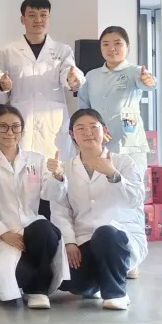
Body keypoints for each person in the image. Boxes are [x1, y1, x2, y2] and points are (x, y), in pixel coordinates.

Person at [0, 104, 69, 309]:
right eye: (3, 126)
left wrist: (58, 176)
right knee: (18, 276)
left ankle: (38, 290)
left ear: (22, 130)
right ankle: (1, 279)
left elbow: (51, 194)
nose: (9, 132)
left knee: (46, 230)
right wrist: (3, 232)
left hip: (30, 229)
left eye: (15, 127)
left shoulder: (36, 159)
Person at [51, 108, 147, 311]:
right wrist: (69, 241)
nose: (88, 133)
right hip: (83, 238)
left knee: (105, 234)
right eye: (80, 128)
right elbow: (61, 209)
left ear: (104, 130)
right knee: (74, 284)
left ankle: (117, 293)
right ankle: (96, 283)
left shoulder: (123, 162)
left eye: (93, 127)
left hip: (119, 236)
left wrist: (113, 174)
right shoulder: (66, 168)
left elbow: (136, 199)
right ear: (72, 134)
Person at [0, 0, 84, 159]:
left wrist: (72, 79)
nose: (38, 20)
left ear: (49, 18)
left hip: (52, 123)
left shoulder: (62, 50)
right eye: (32, 15)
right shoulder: (8, 52)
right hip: (20, 120)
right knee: (21, 167)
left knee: (55, 167)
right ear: (22, 19)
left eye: (43, 15)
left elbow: (69, 72)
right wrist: (2, 86)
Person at [78, 26, 158, 173]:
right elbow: (83, 109)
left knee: (132, 182)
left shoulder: (135, 71)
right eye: (105, 44)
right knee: (101, 181)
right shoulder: (91, 76)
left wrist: (148, 81)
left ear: (128, 46)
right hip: (100, 140)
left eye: (117, 43)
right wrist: (92, 131)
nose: (111, 49)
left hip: (129, 140)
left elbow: (148, 84)